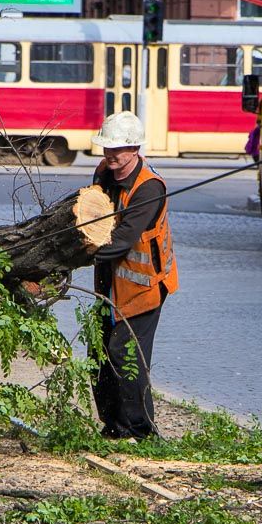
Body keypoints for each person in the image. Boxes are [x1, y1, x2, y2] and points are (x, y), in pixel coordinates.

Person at [89, 111, 179, 440]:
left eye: (117, 150)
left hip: (145, 286)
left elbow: (121, 241)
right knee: (98, 354)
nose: (110, 155)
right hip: (109, 286)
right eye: (107, 148)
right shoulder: (103, 172)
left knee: (126, 355)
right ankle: (113, 425)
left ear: (135, 149)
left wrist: (76, 256)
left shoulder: (149, 188)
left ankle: (143, 432)